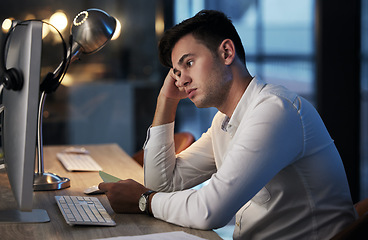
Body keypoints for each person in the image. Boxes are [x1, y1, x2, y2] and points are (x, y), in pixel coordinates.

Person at [99, 10, 357, 239]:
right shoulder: (224, 121)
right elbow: (162, 184)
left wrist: (145, 201)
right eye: (176, 72)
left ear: (226, 52)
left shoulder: (275, 110)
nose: (181, 80)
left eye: (189, 63)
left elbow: (210, 211)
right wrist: (166, 100)